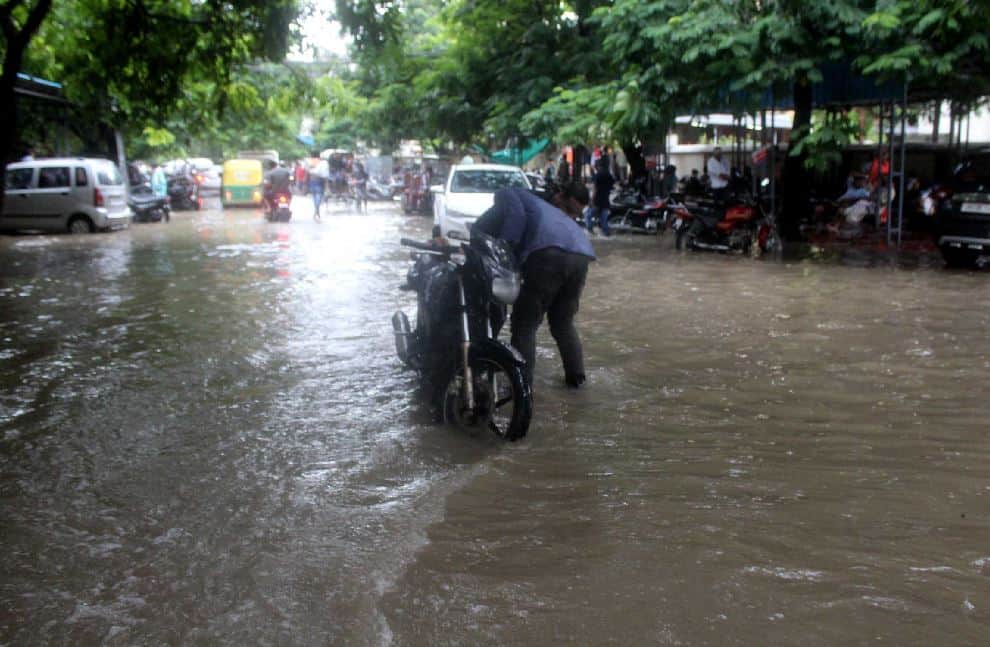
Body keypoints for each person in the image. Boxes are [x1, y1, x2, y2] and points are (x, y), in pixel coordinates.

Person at [472, 184, 595, 388]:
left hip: (549, 252)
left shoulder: (508, 192)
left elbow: (514, 223)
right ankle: (577, 382)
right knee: (563, 323)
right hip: (581, 253)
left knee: (524, 324)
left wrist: (504, 249)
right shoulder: (543, 206)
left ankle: (522, 386)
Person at [585, 158, 614, 236]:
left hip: (597, 200)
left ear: (599, 166)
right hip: (605, 200)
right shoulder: (610, 176)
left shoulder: (598, 175)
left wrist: (591, 200)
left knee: (587, 215)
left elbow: (595, 189)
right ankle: (606, 233)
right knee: (603, 219)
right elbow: (611, 187)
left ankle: (590, 229)